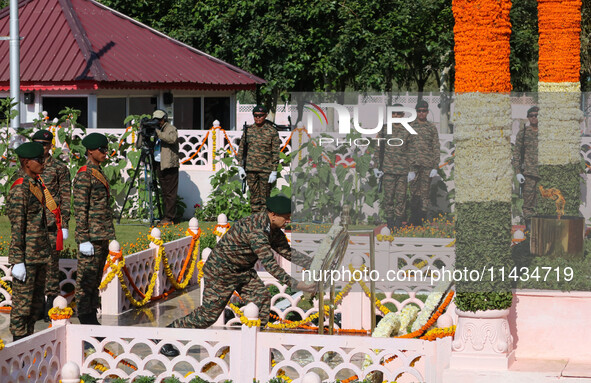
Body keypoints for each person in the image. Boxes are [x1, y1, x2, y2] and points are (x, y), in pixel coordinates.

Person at [160, 195, 316, 357]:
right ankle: (164, 337)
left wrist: (313, 262)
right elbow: (270, 265)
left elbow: (286, 251)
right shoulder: (257, 230)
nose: (288, 221)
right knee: (208, 316)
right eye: (286, 217)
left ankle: (254, 345)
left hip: (242, 271)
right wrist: (297, 285)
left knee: (261, 299)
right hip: (221, 272)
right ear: (274, 215)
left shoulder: (272, 228)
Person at [8, 142, 51, 341]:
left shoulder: (35, 184)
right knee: (22, 309)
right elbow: (18, 227)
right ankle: (18, 348)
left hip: (38, 254)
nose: (43, 163)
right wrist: (17, 260)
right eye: (39, 160)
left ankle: (28, 344)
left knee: (35, 307)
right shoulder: (20, 189)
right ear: (26, 162)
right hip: (26, 257)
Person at [73, 133, 115, 325]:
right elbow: (80, 209)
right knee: (86, 280)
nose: (106, 152)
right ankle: (85, 317)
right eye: (102, 149)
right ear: (90, 151)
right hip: (91, 235)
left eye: (106, 149)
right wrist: (83, 239)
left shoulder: (98, 171)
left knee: (95, 279)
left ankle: (91, 316)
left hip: (101, 234)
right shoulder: (84, 175)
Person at [31, 130, 71, 322]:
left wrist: (64, 223)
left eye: (45, 145)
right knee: (34, 265)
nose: (42, 148)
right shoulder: (28, 165)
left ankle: (51, 303)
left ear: (50, 146)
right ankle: (36, 306)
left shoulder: (59, 168)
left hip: (51, 223)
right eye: (38, 144)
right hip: (31, 225)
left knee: (51, 265)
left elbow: (65, 196)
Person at [373, 104, 413, 230]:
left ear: (403, 115)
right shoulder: (385, 129)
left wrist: (412, 170)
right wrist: (375, 166)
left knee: (401, 199)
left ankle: (398, 224)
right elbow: (378, 148)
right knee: (388, 198)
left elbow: (412, 151)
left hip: (403, 170)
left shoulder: (408, 130)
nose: (396, 115)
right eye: (393, 113)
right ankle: (390, 223)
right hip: (388, 169)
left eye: (398, 113)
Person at [236, 105, 281, 213]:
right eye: (255, 116)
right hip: (251, 169)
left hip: (265, 170)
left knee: (265, 199)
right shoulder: (248, 130)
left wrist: (274, 170)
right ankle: (255, 222)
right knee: (254, 198)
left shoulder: (272, 131)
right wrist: (240, 167)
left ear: (265, 115)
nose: (258, 118)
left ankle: (265, 222)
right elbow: (242, 149)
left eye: (260, 115)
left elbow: (275, 152)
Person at [408, 100, 440, 225]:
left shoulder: (431, 127)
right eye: (419, 111)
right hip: (413, 166)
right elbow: (406, 145)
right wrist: (408, 167)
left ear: (427, 112)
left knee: (425, 194)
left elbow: (436, 146)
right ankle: (414, 219)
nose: (421, 113)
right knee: (414, 193)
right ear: (416, 112)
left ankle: (422, 219)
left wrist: (435, 166)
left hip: (427, 165)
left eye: (424, 111)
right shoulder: (410, 126)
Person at [512, 106, 539, 230]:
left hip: (543, 173)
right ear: (528, 117)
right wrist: (518, 172)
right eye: (531, 115)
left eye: (536, 115)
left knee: (542, 202)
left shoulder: (545, 132)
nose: (534, 117)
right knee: (527, 205)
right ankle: (529, 231)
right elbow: (516, 153)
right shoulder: (523, 133)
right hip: (528, 174)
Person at [152, 109, 179, 225]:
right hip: (159, 164)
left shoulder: (170, 129)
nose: (158, 122)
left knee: (170, 193)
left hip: (169, 165)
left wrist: (157, 132)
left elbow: (172, 139)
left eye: (159, 120)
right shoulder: (157, 129)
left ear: (164, 119)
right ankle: (166, 217)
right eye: (155, 120)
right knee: (164, 192)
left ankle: (169, 218)